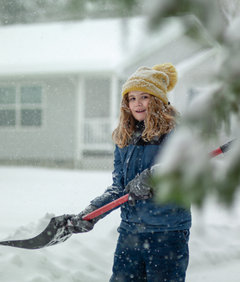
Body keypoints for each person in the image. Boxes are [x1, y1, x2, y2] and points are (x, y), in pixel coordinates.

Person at [66, 63, 191, 282]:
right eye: (131, 98)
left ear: (158, 99)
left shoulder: (177, 131)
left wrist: (153, 176)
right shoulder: (125, 137)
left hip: (167, 232)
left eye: (144, 96)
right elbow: (119, 187)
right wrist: (93, 212)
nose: (137, 103)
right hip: (131, 233)